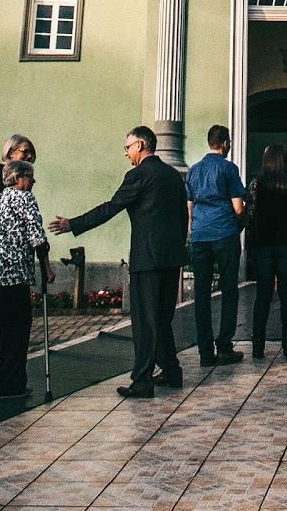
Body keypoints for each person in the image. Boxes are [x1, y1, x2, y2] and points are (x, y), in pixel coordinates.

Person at [51, 126, 187, 399]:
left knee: (145, 320)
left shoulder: (138, 175)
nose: (126, 153)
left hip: (146, 258)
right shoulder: (173, 176)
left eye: (127, 148)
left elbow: (110, 208)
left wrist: (73, 224)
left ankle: (142, 380)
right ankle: (172, 371)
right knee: (162, 318)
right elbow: (183, 216)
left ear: (140, 145)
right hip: (172, 258)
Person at [0, 160, 53, 403]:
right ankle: (11, 385)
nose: (33, 181)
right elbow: (37, 237)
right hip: (10, 276)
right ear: (18, 178)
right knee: (13, 333)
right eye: (30, 177)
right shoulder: (25, 198)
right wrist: (47, 268)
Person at [185, 125, 246, 368]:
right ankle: (224, 347)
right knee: (229, 288)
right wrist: (239, 222)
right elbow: (238, 208)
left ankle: (205, 352)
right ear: (225, 143)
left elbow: (189, 207)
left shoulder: (194, 170)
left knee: (202, 293)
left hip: (199, 236)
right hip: (224, 233)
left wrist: (194, 228)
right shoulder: (228, 169)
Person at [245, 143, 287, 360]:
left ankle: (258, 347)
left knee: (262, 297)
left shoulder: (256, 183)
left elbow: (251, 215)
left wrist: (250, 244)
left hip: (263, 245)